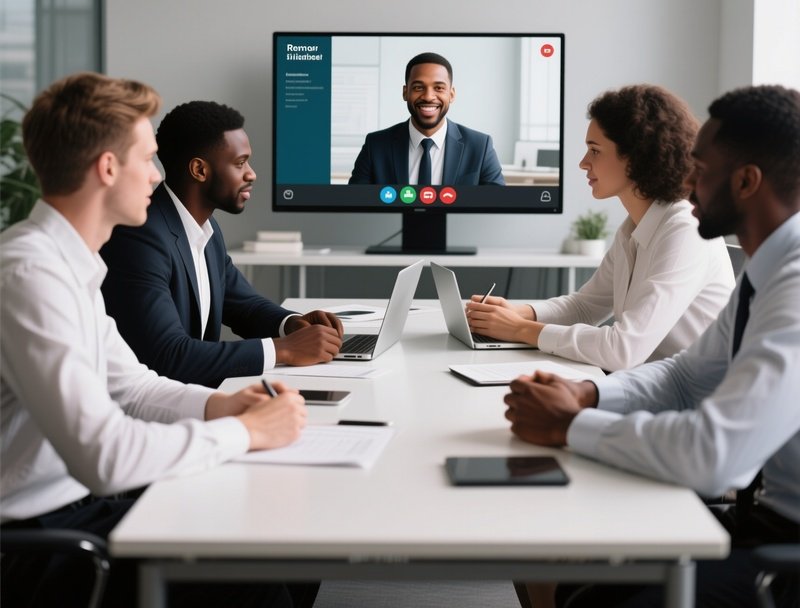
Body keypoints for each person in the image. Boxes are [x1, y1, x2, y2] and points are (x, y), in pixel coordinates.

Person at [0, 72, 306, 608]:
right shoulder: (30, 275)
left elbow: (135, 387)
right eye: (148, 158)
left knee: (281, 538)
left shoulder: (69, 265)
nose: (157, 175)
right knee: (254, 571)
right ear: (108, 167)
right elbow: (105, 456)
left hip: (76, 508)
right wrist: (242, 432)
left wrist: (225, 404)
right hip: (37, 538)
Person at [505, 84, 800, 608]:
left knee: (589, 591)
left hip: (784, 546)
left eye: (700, 169)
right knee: (571, 568)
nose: (684, 182)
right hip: (755, 516)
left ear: (747, 181)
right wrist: (588, 397)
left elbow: (717, 456)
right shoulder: (768, 269)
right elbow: (687, 374)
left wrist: (571, 425)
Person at [467, 84, 735, 371]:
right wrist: (521, 313)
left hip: (693, 398)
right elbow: (585, 306)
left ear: (638, 156)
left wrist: (520, 330)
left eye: (594, 151)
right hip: (654, 382)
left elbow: (623, 350)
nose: (583, 163)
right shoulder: (633, 228)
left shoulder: (685, 230)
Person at [100, 101, 343, 388]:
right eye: (240, 163)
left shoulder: (206, 229)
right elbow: (168, 355)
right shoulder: (140, 238)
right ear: (200, 170)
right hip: (154, 414)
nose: (251, 174)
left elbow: (244, 306)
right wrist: (284, 349)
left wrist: (292, 324)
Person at [348, 51, 505, 186]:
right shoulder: (375, 146)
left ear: (451, 94)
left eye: (439, 88)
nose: (429, 97)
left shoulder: (480, 147)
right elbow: (355, 207)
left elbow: (497, 209)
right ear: (405, 92)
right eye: (418, 87)